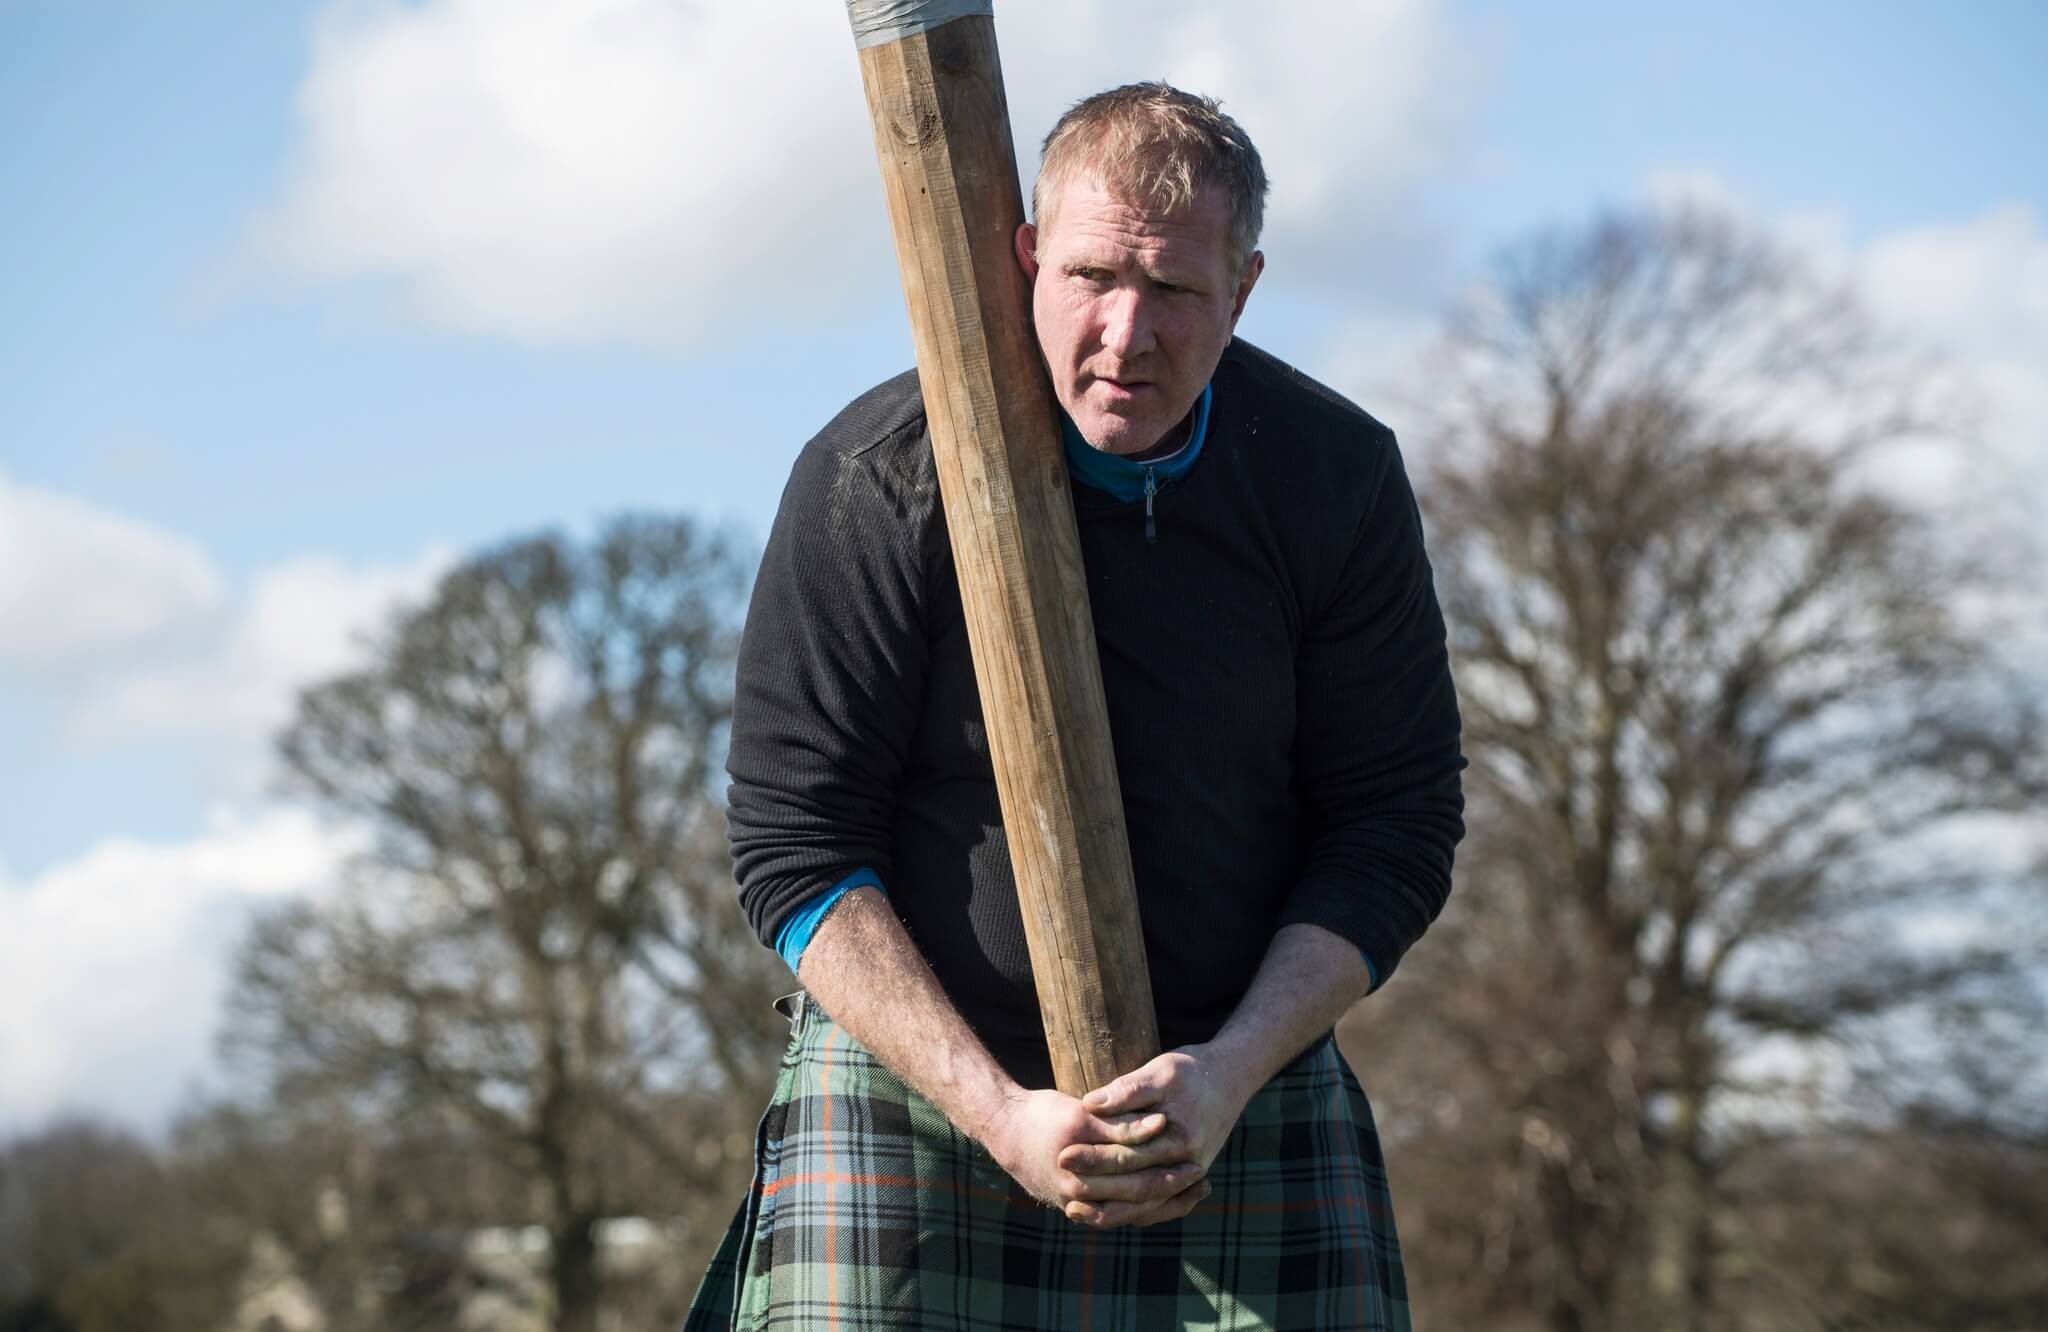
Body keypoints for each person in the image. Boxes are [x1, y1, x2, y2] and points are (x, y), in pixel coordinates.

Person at [685, 82, 1463, 1331]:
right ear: (1028, 255)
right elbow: (795, 845)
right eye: (1094, 276)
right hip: (921, 1102)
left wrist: (1227, 1071)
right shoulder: (875, 478)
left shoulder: (1330, 478)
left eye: (1175, 292)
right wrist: (997, 1112)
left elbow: (1394, 822)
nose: (1125, 332)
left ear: (1246, 289)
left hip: (1230, 1094)